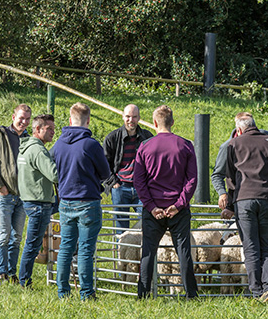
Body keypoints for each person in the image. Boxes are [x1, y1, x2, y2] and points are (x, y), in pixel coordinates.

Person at [134, 105, 199, 299]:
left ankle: (143, 294)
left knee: (148, 252)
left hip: (153, 209)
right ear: (172, 122)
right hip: (177, 209)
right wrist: (179, 204)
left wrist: (151, 206)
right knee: (184, 252)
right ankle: (191, 294)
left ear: (154, 123)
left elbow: (139, 180)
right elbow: (192, 179)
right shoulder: (185, 145)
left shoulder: (145, 146)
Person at [51, 103, 110, 300]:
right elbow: (105, 173)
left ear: (70, 120)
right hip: (87, 201)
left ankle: (62, 291)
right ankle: (86, 292)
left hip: (66, 201)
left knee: (66, 247)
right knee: (85, 248)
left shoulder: (58, 144)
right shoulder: (91, 144)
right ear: (88, 120)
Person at [226, 112, 268, 303]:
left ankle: (257, 291)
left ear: (239, 129)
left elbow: (231, 177)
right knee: (267, 247)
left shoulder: (234, 144)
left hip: (244, 199)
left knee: (251, 247)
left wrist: (231, 203)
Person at [0, 103, 32, 284]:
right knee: (3, 236)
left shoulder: (28, 139)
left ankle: (12, 273)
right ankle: (0, 273)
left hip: (22, 196)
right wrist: (0, 186)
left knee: (16, 237)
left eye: (27, 119)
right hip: (4, 194)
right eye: (21, 118)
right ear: (13, 117)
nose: (24, 122)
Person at [212, 114, 268, 211]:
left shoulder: (262, 137)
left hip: (263, 195)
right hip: (240, 198)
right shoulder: (228, 146)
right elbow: (217, 174)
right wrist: (222, 193)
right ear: (239, 129)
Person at [17, 114, 58, 289]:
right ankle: (24, 281)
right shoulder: (39, 151)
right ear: (37, 129)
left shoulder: (26, 148)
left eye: (54, 129)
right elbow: (55, 174)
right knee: (33, 244)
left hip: (30, 200)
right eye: (49, 129)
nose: (53, 133)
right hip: (39, 202)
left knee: (33, 242)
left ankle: (24, 278)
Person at [103, 104, 154, 232]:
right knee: (121, 228)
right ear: (122, 117)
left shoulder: (148, 137)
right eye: (128, 116)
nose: (131, 120)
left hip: (141, 187)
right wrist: (113, 182)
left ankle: (143, 252)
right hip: (120, 187)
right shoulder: (112, 138)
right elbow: (104, 163)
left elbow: (154, 163)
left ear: (139, 118)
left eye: (134, 117)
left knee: (146, 224)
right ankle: (121, 251)